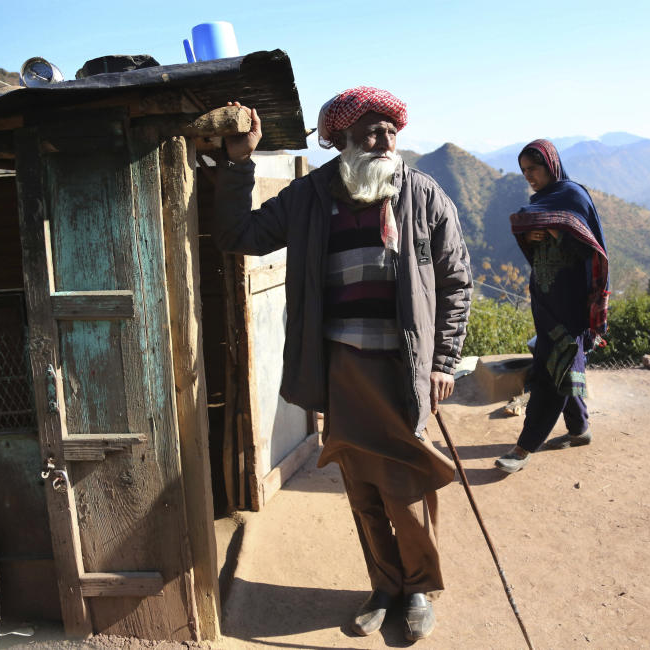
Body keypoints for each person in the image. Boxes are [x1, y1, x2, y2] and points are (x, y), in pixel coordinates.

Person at [214, 87, 472, 641]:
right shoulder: (310, 196)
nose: (384, 142)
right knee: (362, 486)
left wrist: (444, 361)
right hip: (341, 367)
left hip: (404, 371)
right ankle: (383, 587)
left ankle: (418, 589)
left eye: (391, 133)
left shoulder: (424, 196)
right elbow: (240, 236)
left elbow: (456, 283)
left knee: (404, 485)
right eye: (371, 132)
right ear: (342, 140)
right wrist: (238, 164)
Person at [494, 139, 609, 474]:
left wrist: (554, 234)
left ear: (552, 164)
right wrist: (534, 236)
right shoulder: (541, 202)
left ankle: (524, 446)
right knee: (555, 359)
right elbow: (530, 235)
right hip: (546, 300)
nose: (530, 176)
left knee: (554, 373)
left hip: (571, 303)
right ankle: (579, 429)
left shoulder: (573, 195)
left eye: (535, 168)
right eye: (525, 171)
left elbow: (590, 246)